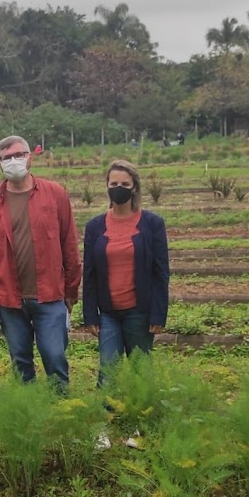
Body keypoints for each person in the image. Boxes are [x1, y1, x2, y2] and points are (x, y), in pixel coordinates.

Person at [0, 135, 81, 394]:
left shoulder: (55, 194)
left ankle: (61, 411)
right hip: (8, 299)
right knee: (20, 361)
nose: (13, 161)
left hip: (50, 295)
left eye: (19, 155)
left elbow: (70, 246)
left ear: (30, 157)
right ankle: (29, 413)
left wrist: (71, 292)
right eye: (6, 157)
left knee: (55, 357)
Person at [83, 159, 169, 387]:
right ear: (107, 186)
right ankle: (106, 415)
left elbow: (161, 273)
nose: (118, 188)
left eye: (124, 183)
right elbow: (89, 274)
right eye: (113, 183)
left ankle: (144, 413)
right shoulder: (95, 226)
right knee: (108, 369)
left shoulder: (152, 224)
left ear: (134, 187)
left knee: (141, 368)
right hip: (108, 313)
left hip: (139, 312)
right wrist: (90, 314)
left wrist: (158, 314)